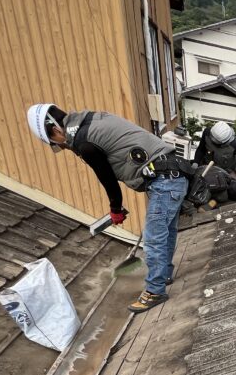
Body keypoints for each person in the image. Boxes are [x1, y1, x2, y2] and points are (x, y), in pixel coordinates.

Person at [26, 104, 188, 313]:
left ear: (56, 131)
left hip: (165, 180)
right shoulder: (90, 120)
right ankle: (163, 274)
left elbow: (107, 179)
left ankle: (155, 291)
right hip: (173, 174)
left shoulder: (84, 143)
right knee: (165, 231)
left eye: (53, 142)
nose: (60, 147)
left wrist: (116, 209)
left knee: (154, 236)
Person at [193, 121, 236, 201]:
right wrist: (195, 163)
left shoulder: (233, 145)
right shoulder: (207, 133)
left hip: (227, 172)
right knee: (199, 187)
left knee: (227, 194)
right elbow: (201, 149)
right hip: (207, 167)